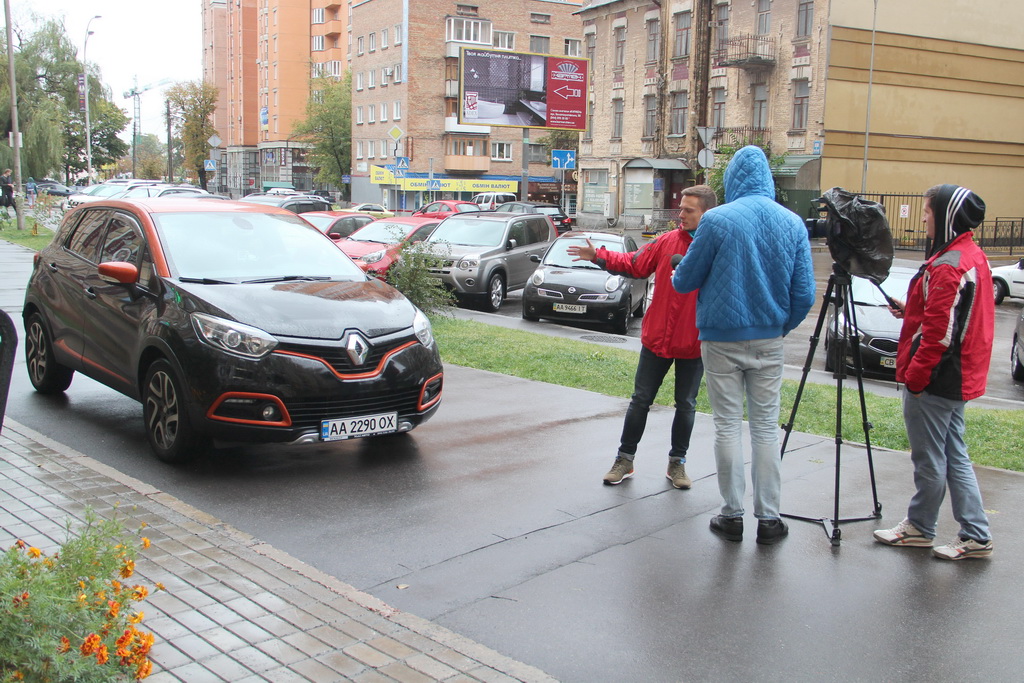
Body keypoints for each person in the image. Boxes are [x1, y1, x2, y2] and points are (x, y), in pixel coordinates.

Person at [672, 146, 815, 545]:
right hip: (769, 340)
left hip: (720, 339)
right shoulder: (792, 223)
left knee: (727, 427)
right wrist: (778, 327)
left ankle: (731, 514)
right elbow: (804, 293)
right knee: (766, 428)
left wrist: (679, 268)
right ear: (767, 177)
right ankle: (770, 518)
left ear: (733, 178)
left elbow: (684, 281)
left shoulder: (716, 221)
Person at [567, 185, 717, 488]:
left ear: (707, 213)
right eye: (681, 208)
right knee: (640, 401)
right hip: (657, 339)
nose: (681, 215)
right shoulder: (666, 241)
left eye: (689, 210)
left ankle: (678, 464)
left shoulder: (715, 247)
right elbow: (634, 264)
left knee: (686, 404)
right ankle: (625, 459)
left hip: (693, 343)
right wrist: (598, 256)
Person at [873, 184, 994, 560]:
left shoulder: (948, 265)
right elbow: (950, 316)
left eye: (927, 212)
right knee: (954, 454)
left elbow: (940, 335)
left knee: (930, 458)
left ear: (945, 217)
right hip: (959, 375)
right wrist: (911, 308)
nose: (923, 218)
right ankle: (975, 534)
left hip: (938, 378)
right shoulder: (969, 255)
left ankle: (921, 527)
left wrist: (916, 379)